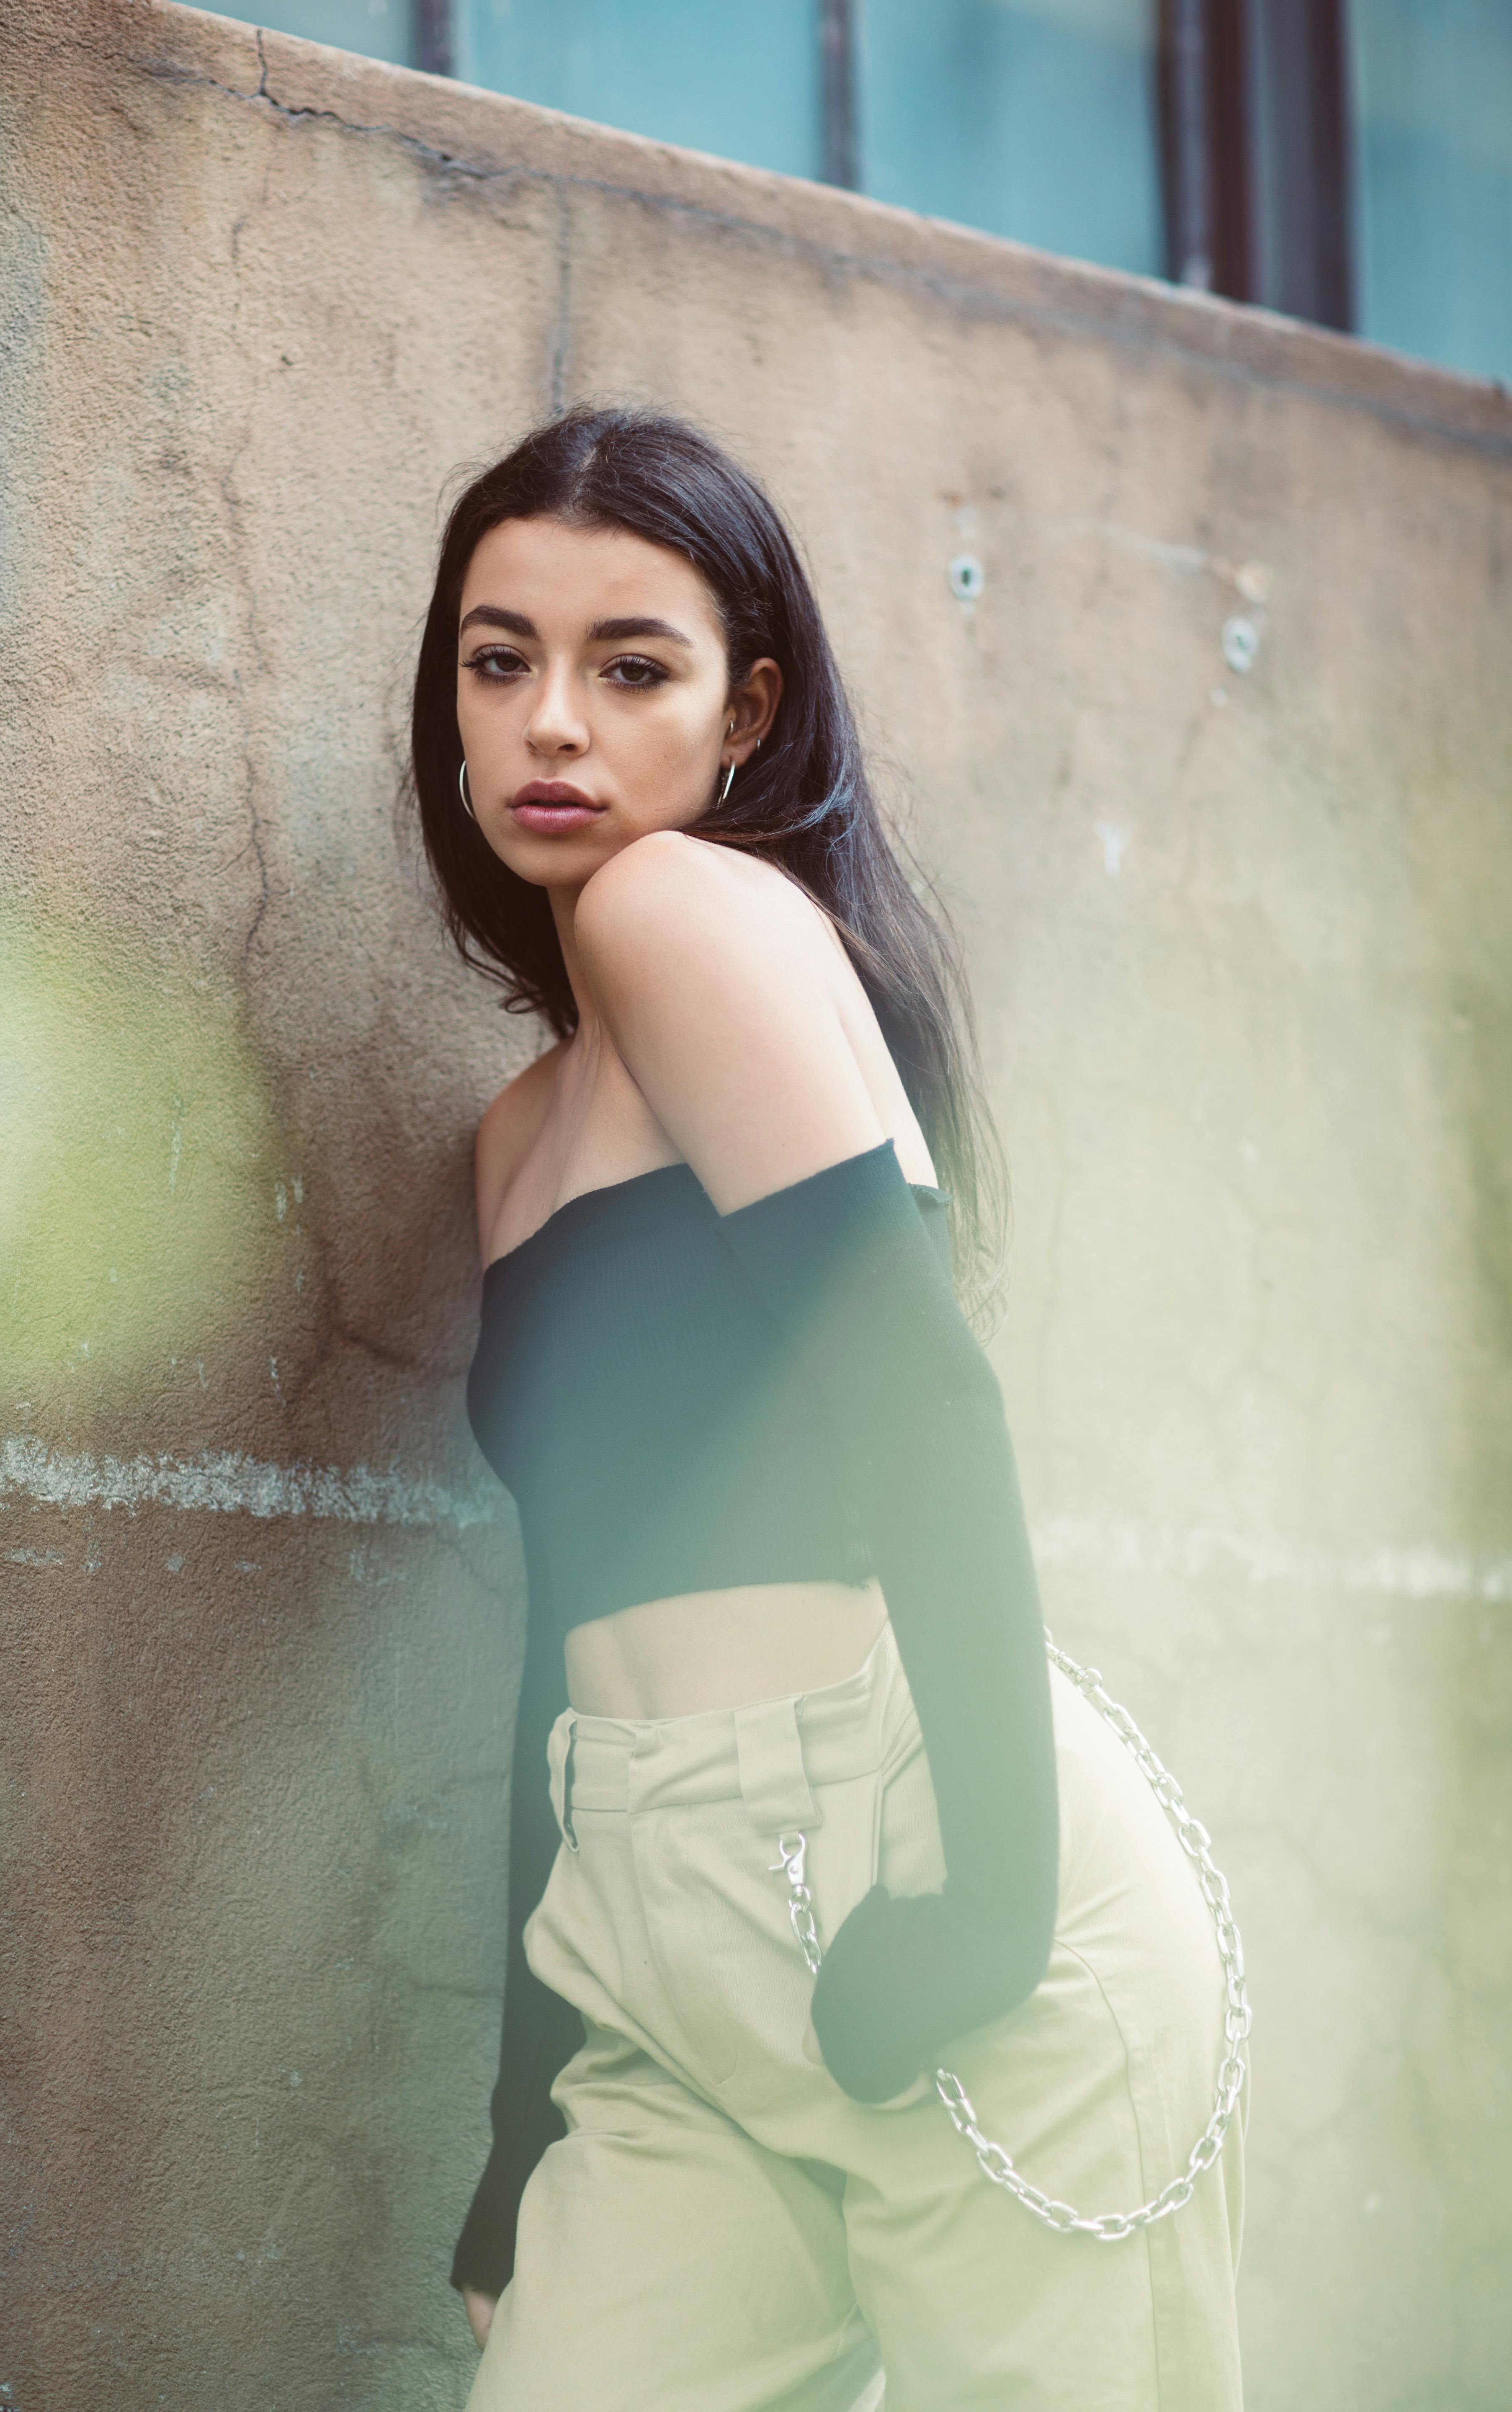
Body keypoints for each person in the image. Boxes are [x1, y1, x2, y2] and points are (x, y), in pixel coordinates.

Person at [410, 407, 1246, 2410]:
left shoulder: (677, 911)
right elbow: (568, 1636)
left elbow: (926, 1405)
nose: (552, 725)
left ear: (747, 710)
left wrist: (987, 1921)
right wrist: (524, 2135)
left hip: (930, 1875)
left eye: (633, 667)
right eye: (498, 656)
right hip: (660, 1947)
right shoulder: (518, 1130)